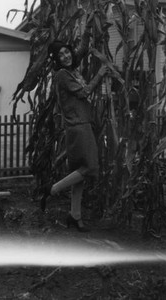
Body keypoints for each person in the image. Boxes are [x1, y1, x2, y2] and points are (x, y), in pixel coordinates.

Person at [41, 36, 108, 232]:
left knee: (79, 172)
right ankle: (51, 189)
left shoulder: (72, 72)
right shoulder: (63, 74)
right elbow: (84, 92)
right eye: (60, 55)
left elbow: (84, 47)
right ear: (57, 60)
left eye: (67, 51)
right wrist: (100, 74)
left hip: (79, 125)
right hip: (78, 127)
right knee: (90, 168)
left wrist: (88, 28)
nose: (66, 56)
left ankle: (75, 215)